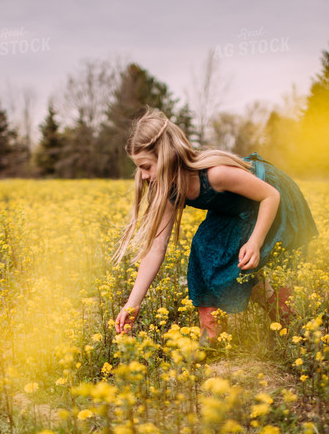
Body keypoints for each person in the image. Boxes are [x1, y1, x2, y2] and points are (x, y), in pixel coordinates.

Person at [112, 107, 318, 342]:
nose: (144, 176)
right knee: (204, 246)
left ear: (168, 157)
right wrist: (132, 304)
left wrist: (255, 242)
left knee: (247, 258)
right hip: (234, 209)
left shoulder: (216, 174)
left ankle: (290, 320)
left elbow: (270, 196)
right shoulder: (169, 189)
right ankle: (212, 334)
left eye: (146, 166)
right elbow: (156, 248)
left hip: (269, 198)